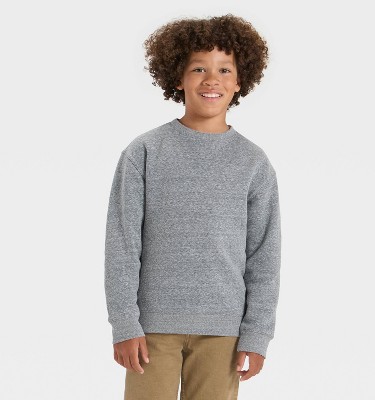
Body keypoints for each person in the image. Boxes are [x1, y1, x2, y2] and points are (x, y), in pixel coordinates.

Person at [104, 13, 282, 400]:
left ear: (240, 81)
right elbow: (122, 244)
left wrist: (257, 333)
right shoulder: (144, 152)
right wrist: (124, 323)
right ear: (178, 78)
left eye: (224, 69)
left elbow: (264, 256)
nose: (211, 79)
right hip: (151, 328)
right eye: (198, 68)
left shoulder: (254, 163)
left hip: (224, 331)